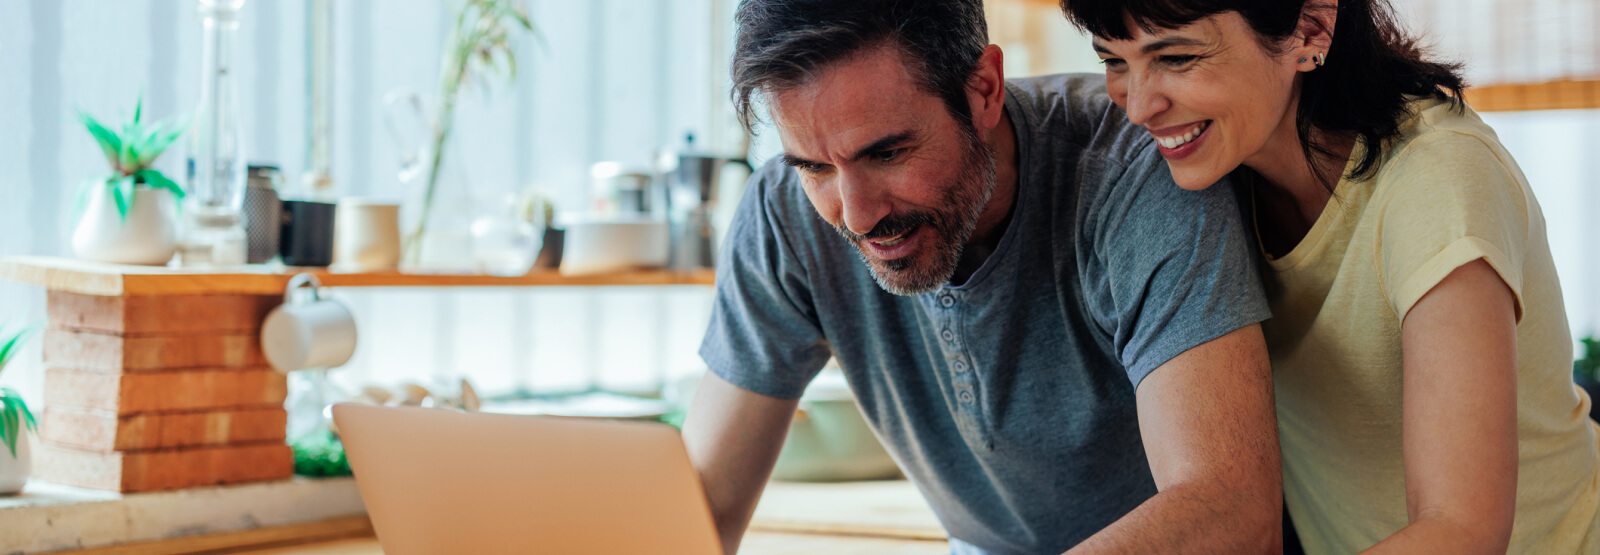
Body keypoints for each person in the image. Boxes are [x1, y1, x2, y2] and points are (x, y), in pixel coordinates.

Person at [682, 1, 1286, 553]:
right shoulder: (782, 214)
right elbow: (700, 510)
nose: (857, 213)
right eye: (814, 167)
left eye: (887, 153)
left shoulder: (1133, 171)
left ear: (984, 90)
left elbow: (1229, 510)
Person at [1058, 0, 1600, 553]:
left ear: (1310, 29)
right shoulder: (1217, 172)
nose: (1140, 107)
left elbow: (1462, 530)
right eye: (1114, 61)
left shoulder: (1439, 178)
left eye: (1175, 56)